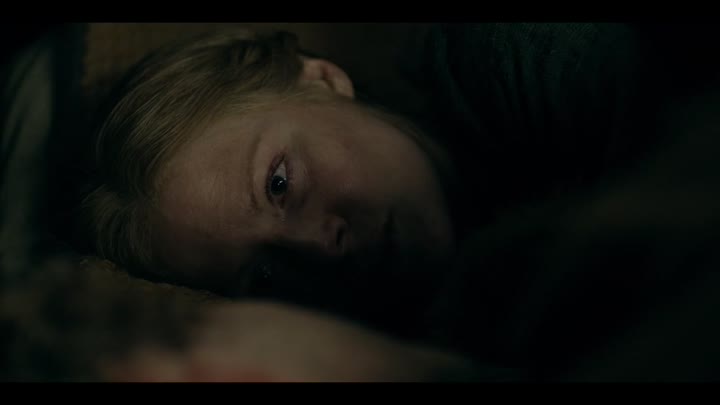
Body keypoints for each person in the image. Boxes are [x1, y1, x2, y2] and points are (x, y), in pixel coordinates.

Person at [81, 23, 720, 380]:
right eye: (264, 278)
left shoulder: (520, 56)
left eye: (279, 184)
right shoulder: (429, 324)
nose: (318, 249)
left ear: (322, 80)